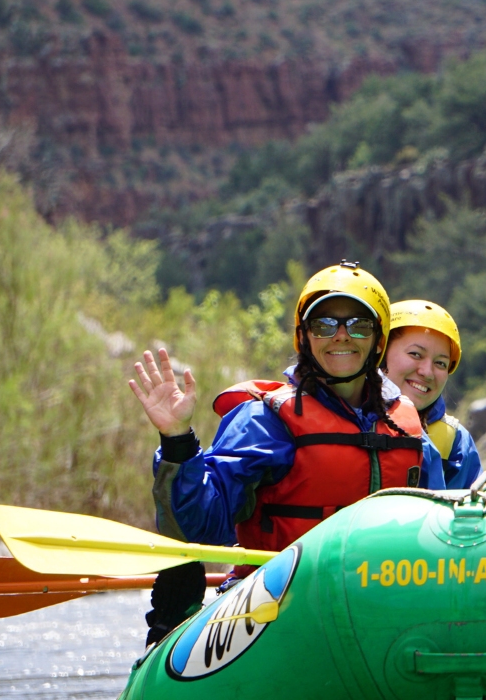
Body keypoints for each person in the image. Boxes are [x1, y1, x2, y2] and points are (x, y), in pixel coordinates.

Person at [130, 261, 446, 646]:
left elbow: (438, 537)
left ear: (378, 342)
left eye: (358, 325)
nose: (341, 336)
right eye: (324, 324)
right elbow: (197, 527)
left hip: (378, 613)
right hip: (278, 614)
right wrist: (177, 438)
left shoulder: (408, 429)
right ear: (304, 337)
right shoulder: (265, 420)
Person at [384, 299, 481, 489]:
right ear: (381, 352)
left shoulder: (456, 442)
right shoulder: (349, 417)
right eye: (415, 354)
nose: (427, 372)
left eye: (440, 363)